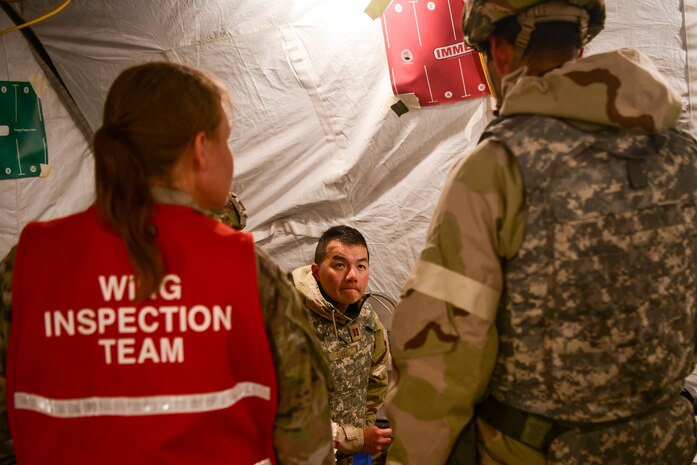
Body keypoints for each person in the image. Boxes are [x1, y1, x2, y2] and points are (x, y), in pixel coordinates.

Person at [386, 1, 697, 464]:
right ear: (582, 44)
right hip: (663, 444)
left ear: (499, 50)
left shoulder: (497, 166)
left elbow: (438, 353)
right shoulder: (682, 154)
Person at [0, 61, 334, 465]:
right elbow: (306, 439)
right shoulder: (248, 271)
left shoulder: (28, 265)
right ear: (200, 150)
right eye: (225, 140)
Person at [290, 226, 392, 464]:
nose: (352, 276)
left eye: (361, 266)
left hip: (354, 454)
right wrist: (357, 438)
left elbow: (375, 379)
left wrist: (365, 435)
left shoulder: (367, 317)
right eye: (339, 265)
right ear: (316, 272)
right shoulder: (289, 324)